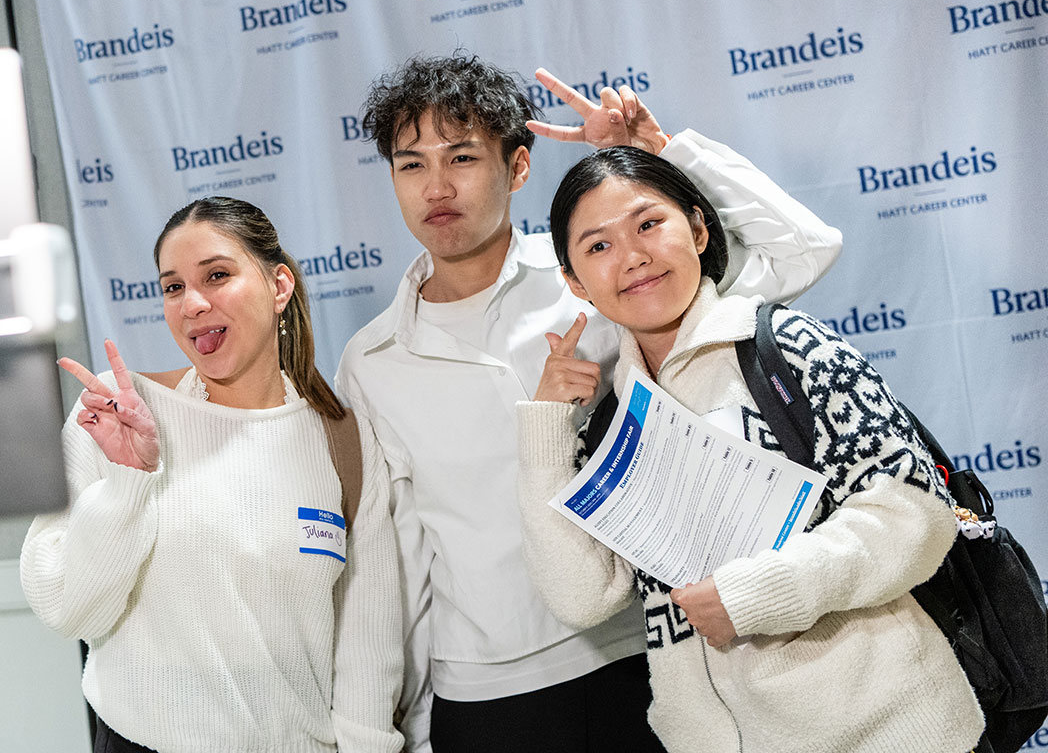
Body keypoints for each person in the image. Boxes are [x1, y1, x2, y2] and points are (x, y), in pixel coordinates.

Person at [334, 53, 843, 752]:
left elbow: (803, 253)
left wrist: (659, 157)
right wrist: (399, 724)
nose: (437, 186)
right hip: (482, 695)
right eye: (411, 164)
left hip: (645, 657)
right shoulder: (372, 357)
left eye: (462, 157)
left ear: (517, 168)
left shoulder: (599, 272)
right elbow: (395, 557)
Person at [516, 143, 985, 752]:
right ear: (574, 283)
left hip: (888, 731)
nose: (632, 257)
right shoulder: (610, 420)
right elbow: (583, 596)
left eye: (649, 223)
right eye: (598, 246)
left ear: (698, 227)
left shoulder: (785, 346)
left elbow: (914, 514)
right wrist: (547, 425)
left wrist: (757, 594)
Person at [21, 197, 404, 753]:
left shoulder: (341, 437)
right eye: (173, 287)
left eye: (217, 276)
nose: (193, 304)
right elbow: (67, 608)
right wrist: (128, 484)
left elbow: (368, 635)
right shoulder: (119, 413)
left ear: (279, 287)